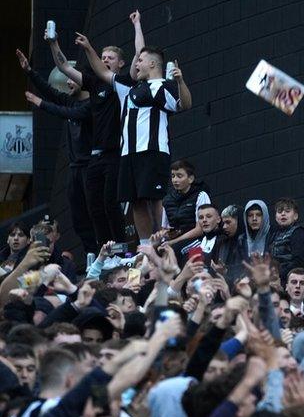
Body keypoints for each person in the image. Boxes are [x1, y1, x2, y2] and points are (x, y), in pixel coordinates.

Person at [76, 16, 192, 246]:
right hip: (128, 154)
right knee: (136, 201)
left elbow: (185, 105)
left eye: (139, 61)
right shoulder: (127, 88)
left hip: (152, 150)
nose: (135, 65)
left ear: (151, 64)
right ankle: (146, 245)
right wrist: (89, 48)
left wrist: (180, 81)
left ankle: (164, 240)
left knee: (154, 198)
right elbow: (102, 71)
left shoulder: (163, 86)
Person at [46, 21, 131, 243]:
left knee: (111, 203)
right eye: (103, 57)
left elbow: (103, 71)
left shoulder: (121, 84)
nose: (104, 60)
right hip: (94, 155)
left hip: (114, 152)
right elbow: (65, 68)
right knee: (94, 206)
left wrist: (89, 48)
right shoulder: (94, 85)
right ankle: (106, 249)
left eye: (110, 57)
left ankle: (120, 247)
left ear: (121, 63)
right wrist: (54, 44)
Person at [18, 52, 96, 252]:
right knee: (78, 217)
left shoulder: (93, 105)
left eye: (72, 78)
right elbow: (52, 92)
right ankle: (91, 255)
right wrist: (30, 71)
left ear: (83, 80)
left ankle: (102, 252)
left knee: (95, 213)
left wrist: (40, 103)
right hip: (75, 167)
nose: (68, 82)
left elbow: (66, 112)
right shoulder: (72, 101)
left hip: (91, 166)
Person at [160, 159, 211, 246]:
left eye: (179, 176)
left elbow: (200, 229)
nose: (175, 180)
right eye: (173, 176)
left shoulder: (201, 195)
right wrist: (166, 234)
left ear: (190, 179)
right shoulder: (167, 200)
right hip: (174, 242)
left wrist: (174, 242)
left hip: (198, 241)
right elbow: (164, 228)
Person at [269, 198, 304, 282]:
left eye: (287, 211)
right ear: (276, 217)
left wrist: (278, 276)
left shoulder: (299, 233)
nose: (283, 214)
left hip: (298, 281)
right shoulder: (273, 236)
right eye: (280, 211)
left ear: (295, 216)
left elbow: (298, 262)